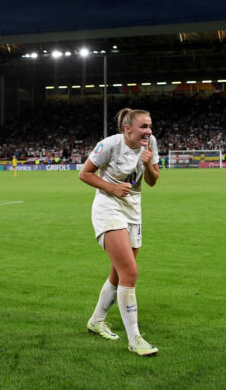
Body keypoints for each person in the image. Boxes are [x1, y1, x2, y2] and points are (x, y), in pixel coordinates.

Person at [78, 108, 161, 356]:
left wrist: (147, 164)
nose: (148, 131)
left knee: (118, 273)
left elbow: (153, 180)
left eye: (150, 126)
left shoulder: (151, 143)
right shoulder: (110, 145)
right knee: (130, 272)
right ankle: (134, 338)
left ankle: (96, 320)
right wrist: (112, 189)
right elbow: (84, 174)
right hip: (108, 206)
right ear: (128, 128)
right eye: (143, 126)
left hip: (133, 209)